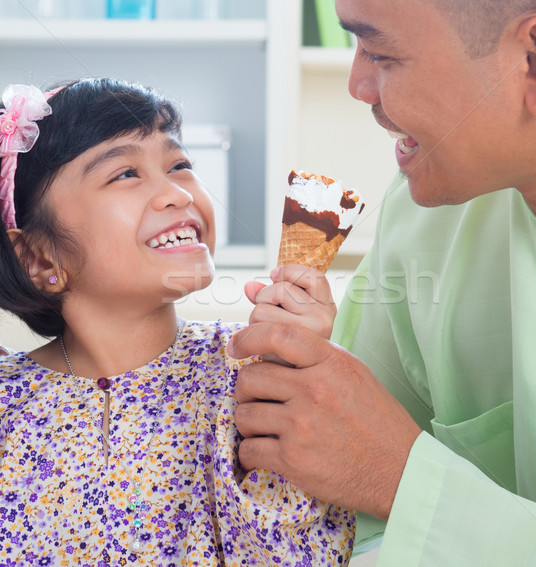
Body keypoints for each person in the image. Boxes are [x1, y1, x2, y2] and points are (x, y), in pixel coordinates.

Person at [229, 0, 536, 564]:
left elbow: (373, 474)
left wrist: (403, 479)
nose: (357, 86)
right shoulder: (424, 213)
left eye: (381, 53)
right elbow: (348, 517)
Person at [0, 78, 355, 565]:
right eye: (125, 173)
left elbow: (298, 554)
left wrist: (289, 375)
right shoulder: (8, 403)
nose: (176, 194)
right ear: (39, 258)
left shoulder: (248, 378)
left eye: (180, 165)